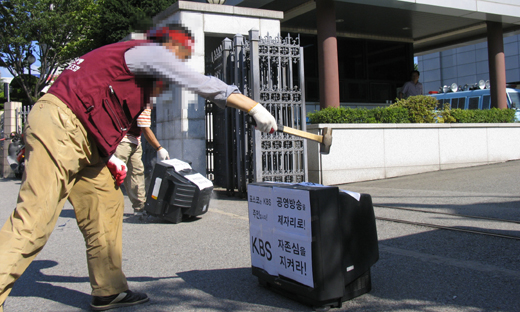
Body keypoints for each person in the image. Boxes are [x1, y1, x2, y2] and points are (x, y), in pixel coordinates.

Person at [0, 23, 277, 311]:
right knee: (35, 219)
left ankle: (109, 290)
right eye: (181, 52)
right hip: (61, 126)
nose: (180, 60)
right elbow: (198, 82)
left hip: (84, 140)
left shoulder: (134, 74)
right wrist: (251, 106)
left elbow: (104, 113)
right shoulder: (147, 52)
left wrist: (110, 156)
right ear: (167, 43)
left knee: (106, 205)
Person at [114, 85, 168, 219]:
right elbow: (145, 128)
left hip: (134, 141)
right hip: (121, 141)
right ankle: (105, 209)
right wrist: (159, 148)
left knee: (136, 173)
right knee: (113, 176)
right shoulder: (143, 99)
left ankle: (140, 208)